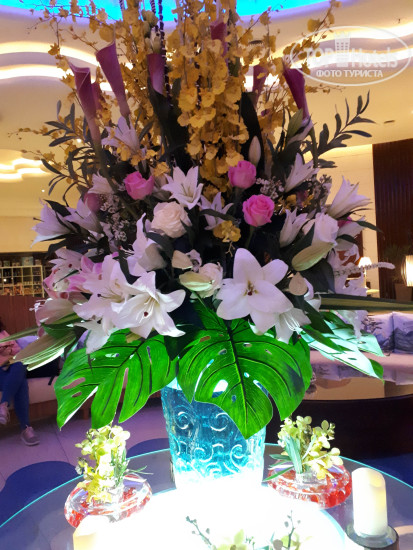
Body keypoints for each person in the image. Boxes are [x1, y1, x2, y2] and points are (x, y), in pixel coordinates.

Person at [0, 319, 39, 445]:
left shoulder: (3, 333)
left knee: (21, 363)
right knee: (21, 383)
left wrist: (9, 351)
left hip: (11, 366)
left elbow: (17, 350)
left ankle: (3, 405)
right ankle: (26, 428)